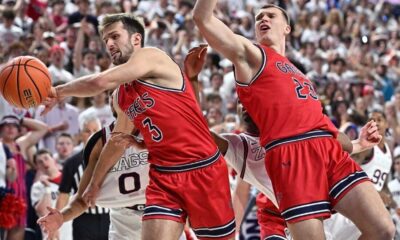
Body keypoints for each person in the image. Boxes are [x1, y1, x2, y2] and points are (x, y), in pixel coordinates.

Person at [193, 3, 394, 239]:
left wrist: (358, 144)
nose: (263, 19)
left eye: (270, 15)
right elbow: (202, 19)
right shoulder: (254, 57)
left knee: (383, 229)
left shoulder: (299, 73)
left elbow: (323, 127)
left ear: (287, 28)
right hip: (291, 153)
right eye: (258, 17)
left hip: (328, 150)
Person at [41, 13, 235, 240]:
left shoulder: (152, 56)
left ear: (136, 39)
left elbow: (99, 82)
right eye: (106, 40)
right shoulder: (121, 95)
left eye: (115, 36)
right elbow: (117, 140)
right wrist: (94, 185)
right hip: (164, 176)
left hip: (202, 167)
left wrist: (58, 91)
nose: (110, 44)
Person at [38, 91, 149, 240]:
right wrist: (61, 217)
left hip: (161, 211)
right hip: (123, 219)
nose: (119, 96)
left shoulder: (156, 130)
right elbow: (83, 199)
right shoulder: (98, 142)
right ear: (111, 102)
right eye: (115, 93)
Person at [54, 115, 109, 240]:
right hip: (83, 219)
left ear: (102, 133)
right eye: (87, 131)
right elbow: (63, 195)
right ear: (79, 134)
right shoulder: (72, 163)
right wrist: (56, 224)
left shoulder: (111, 158)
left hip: (110, 217)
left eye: (95, 131)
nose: (91, 134)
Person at [30, 149, 72, 240]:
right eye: (40, 162)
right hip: (51, 233)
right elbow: (42, 211)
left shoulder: (68, 178)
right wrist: (47, 188)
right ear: (37, 166)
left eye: (46, 158)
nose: (44, 163)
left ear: (53, 159)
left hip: (72, 230)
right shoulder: (37, 186)